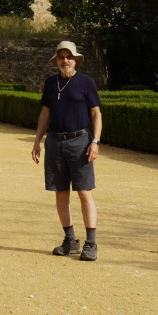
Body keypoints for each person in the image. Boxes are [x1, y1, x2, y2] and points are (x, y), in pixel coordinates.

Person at [31, 41, 102, 261]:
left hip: (80, 141)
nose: (65, 61)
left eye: (69, 57)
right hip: (55, 142)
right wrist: (37, 141)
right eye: (61, 57)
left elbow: (96, 114)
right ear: (57, 61)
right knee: (60, 193)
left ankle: (91, 243)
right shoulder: (51, 84)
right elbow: (45, 114)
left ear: (75, 60)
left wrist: (96, 142)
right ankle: (70, 240)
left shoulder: (86, 82)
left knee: (84, 192)